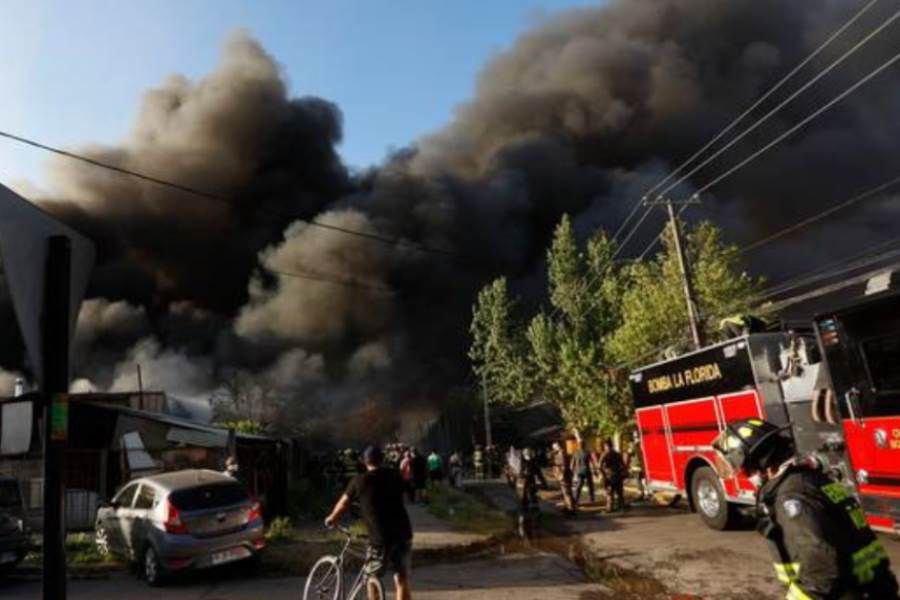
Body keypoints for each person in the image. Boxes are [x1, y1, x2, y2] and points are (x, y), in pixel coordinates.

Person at [713, 419, 899, 600]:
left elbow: (821, 569)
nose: (745, 476)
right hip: (875, 587)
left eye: (744, 470)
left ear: (760, 462)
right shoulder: (811, 479)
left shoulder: (792, 495)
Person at [326, 445, 413, 600]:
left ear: (365, 461)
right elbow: (406, 488)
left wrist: (332, 518)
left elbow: (343, 504)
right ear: (382, 459)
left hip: (380, 538)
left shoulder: (359, 481)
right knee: (401, 578)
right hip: (403, 534)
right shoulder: (394, 475)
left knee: (371, 578)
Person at [599, 439, 627, 512]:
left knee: (609, 493)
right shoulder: (617, 454)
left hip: (609, 476)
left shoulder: (604, 454)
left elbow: (599, 466)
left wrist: (603, 474)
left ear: (606, 446)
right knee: (619, 492)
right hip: (618, 475)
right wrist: (623, 473)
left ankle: (610, 508)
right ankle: (622, 507)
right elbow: (623, 465)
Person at [517, 447, 548, 512]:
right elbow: (521, 471)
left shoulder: (532, 462)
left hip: (529, 479)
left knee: (531, 492)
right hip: (525, 479)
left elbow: (538, 472)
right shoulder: (524, 462)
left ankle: (532, 506)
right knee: (525, 493)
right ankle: (526, 506)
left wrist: (543, 481)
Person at [551, 441, 575, 514]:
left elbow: (563, 466)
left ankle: (570, 509)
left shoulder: (561, 454)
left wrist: (561, 476)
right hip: (563, 475)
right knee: (566, 492)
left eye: (554, 447)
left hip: (564, 476)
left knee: (567, 492)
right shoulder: (559, 453)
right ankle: (568, 506)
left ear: (557, 446)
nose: (553, 449)